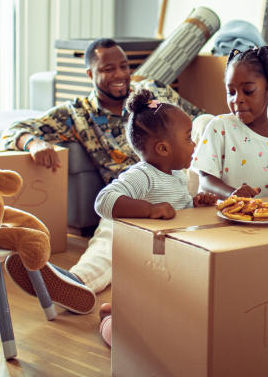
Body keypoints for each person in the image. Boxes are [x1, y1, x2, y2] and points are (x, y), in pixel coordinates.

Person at [0, 38, 206, 314]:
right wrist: (35, 143)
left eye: (124, 66)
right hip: (133, 191)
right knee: (111, 226)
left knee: (208, 126)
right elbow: (16, 127)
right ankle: (75, 283)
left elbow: (201, 119)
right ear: (90, 74)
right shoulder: (76, 113)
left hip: (183, 174)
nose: (120, 74)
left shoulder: (153, 91)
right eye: (109, 68)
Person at [93, 88, 218, 346]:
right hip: (146, 267)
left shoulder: (176, 174)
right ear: (163, 148)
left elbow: (176, 212)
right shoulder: (143, 175)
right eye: (188, 139)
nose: (194, 145)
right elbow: (103, 201)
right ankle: (109, 321)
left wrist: (194, 205)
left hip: (174, 264)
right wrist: (149, 210)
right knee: (133, 337)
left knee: (169, 318)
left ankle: (115, 310)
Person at [192, 46, 268, 199]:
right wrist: (232, 195)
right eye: (231, 92)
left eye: (248, 91)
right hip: (225, 217)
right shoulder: (219, 127)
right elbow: (205, 180)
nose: (237, 99)